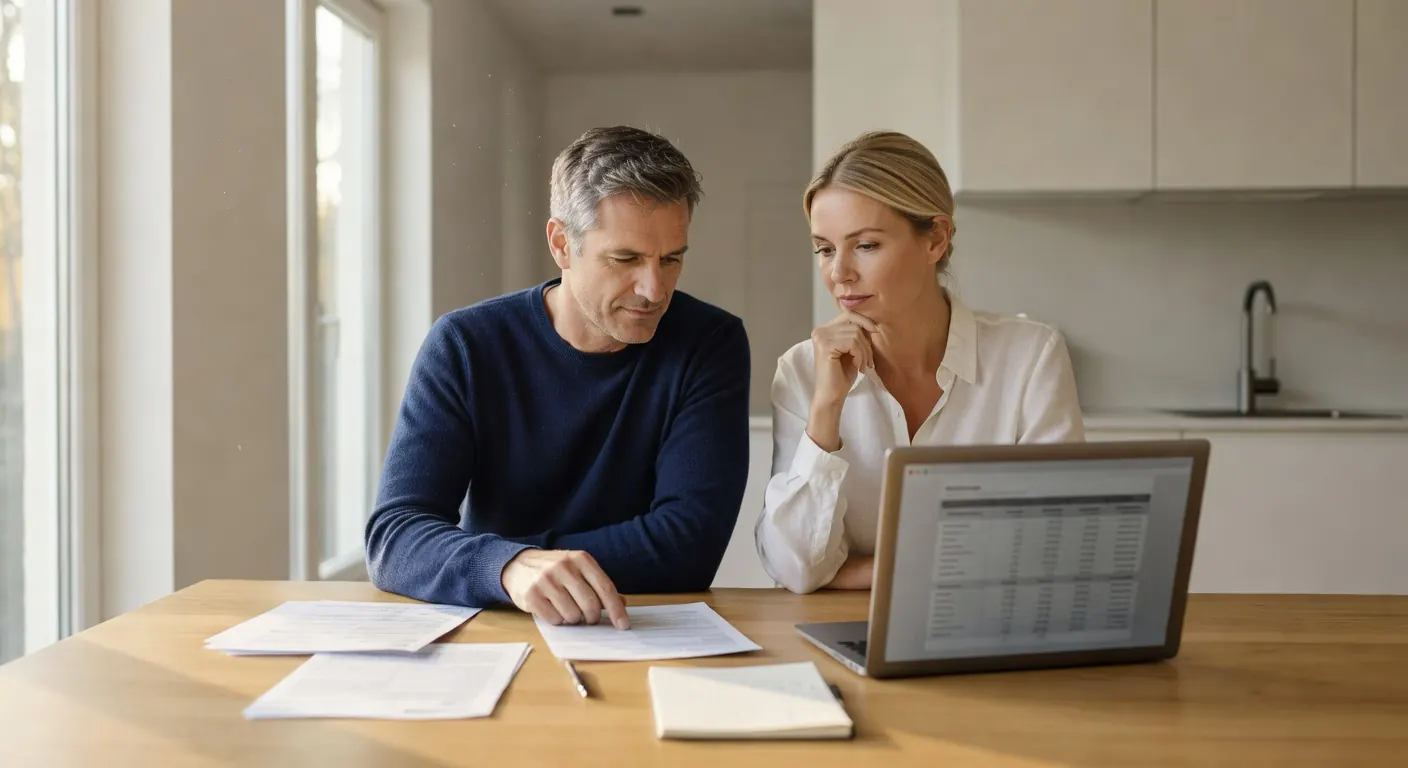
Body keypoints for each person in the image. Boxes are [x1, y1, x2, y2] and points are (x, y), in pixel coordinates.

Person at [367, 126, 751, 627]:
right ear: (562, 244)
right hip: (498, 625)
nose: (654, 289)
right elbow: (395, 536)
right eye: (626, 259)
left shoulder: (709, 343)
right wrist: (509, 570)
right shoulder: (465, 343)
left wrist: (508, 560)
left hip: (643, 627)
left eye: (671, 259)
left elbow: (689, 546)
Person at [755, 130, 1084, 595]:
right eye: (825, 249)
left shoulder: (1031, 357)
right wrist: (827, 408)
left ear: (936, 239)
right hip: (849, 630)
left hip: (994, 625)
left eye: (865, 245)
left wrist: (859, 572)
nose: (839, 273)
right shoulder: (805, 372)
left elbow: (1055, 543)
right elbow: (797, 569)